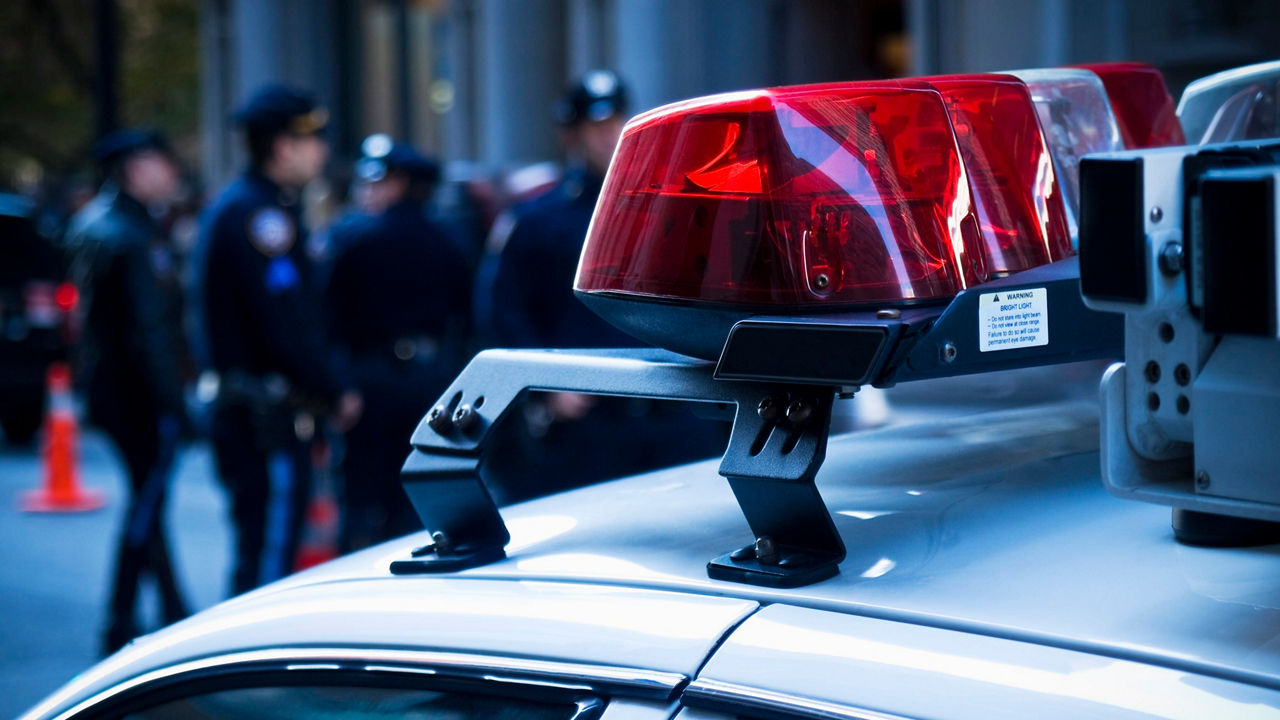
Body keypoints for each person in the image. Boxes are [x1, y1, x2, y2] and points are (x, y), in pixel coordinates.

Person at [478, 71, 725, 501]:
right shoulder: (538, 221)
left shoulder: (674, 205)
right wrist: (543, 386)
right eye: (597, 127)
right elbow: (506, 312)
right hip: (590, 424)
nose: (609, 136)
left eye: (616, 123)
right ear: (574, 135)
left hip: (676, 415)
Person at [195, 85, 361, 596]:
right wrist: (335, 391)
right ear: (283, 147)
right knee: (266, 562)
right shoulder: (259, 216)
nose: (323, 151)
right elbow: (285, 324)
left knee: (267, 548)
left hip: (260, 409)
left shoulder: (259, 207)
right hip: (262, 414)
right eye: (312, 140)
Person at [65, 129, 190, 654]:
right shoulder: (129, 233)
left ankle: (170, 607)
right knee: (146, 502)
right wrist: (174, 403)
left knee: (148, 499)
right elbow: (149, 332)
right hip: (138, 396)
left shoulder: (99, 224)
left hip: (113, 390)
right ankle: (119, 621)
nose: (171, 173)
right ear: (136, 170)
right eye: (161, 163)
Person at [326, 136, 471, 551]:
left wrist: (339, 384)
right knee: (417, 495)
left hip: (369, 379)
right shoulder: (448, 238)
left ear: (398, 184)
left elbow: (328, 318)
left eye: (375, 183)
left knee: (361, 497)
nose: (366, 193)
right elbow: (467, 317)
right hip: (431, 379)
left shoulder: (351, 238)